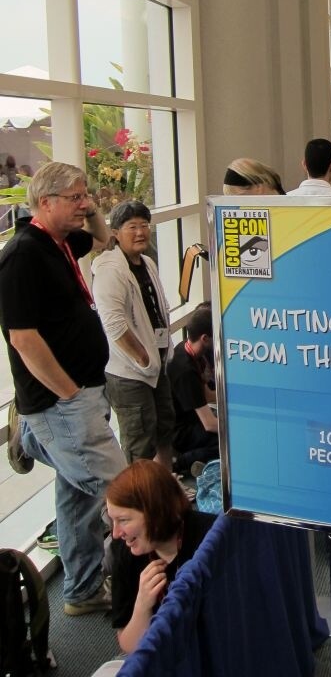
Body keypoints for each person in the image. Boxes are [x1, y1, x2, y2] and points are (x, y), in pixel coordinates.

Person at [0, 161, 126, 615]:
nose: (84, 203)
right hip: (62, 403)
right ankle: (34, 435)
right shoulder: (22, 257)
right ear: (45, 202)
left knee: (78, 500)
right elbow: (23, 339)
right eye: (74, 197)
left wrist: (91, 208)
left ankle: (82, 589)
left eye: (85, 195)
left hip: (83, 395)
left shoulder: (58, 243)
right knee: (119, 489)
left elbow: (101, 239)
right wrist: (70, 394)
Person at [93, 200, 174, 469]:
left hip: (157, 362)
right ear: (115, 232)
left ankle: (164, 482)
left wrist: (158, 357)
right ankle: (142, 497)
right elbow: (113, 325)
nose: (140, 232)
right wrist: (142, 358)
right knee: (140, 438)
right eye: (132, 227)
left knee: (164, 425)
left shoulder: (147, 262)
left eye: (144, 225)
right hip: (129, 372)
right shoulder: (110, 271)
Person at [107, 459, 216, 653]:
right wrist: (142, 606)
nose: (116, 533)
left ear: (156, 512)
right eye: (112, 520)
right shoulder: (124, 552)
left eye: (123, 520)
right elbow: (130, 647)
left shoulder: (210, 539)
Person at [167, 303, 219, 475]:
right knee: (227, 441)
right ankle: (183, 462)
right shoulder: (185, 371)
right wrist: (238, 427)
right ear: (205, 338)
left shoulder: (187, 350)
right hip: (181, 431)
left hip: (191, 420)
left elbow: (207, 395)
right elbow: (209, 424)